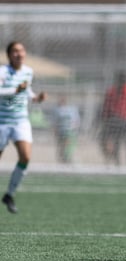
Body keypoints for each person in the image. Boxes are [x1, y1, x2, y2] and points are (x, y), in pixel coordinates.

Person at [0, 41, 47, 213]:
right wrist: (15, 89)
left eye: (21, 51)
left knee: (25, 157)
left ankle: (9, 194)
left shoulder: (28, 71)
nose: (19, 54)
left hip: (21, 121)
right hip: (2, 121)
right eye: (15, 51)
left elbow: (26, 91)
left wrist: (36, 98)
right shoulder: (3, 72)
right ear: (9, 54)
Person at [100, 71, 126, 166]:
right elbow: (106, 107)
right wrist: (105, 120)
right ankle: (117, 163)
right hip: (115, 120)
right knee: (116, 143)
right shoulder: (111, 92)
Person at [54, 95, 80, 163]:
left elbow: (76, 121)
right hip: (63, 131)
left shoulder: (71, 109)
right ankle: (64, 160)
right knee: (62, 147)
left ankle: (67, 159)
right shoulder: (58, 110)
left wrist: (74, 129)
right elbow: (56, 122)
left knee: (67, 147)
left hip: (69, 131)